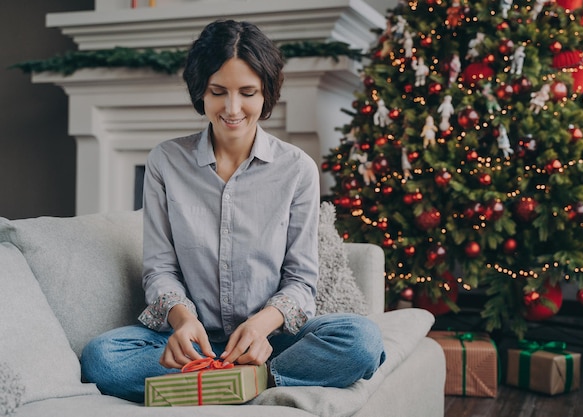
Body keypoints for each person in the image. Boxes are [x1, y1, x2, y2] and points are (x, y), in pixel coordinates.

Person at [80, 19, 386, 404]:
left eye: (247, 92)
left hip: (273, 340)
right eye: (218, 91)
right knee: (102, 358)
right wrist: (182, 320)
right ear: (200, 92)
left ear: (266, 93)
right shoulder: (165, 161)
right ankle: (235, 381)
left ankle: (236, 379)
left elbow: (301, 281)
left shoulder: (297, 169)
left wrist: (261, 326)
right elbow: (160, 269)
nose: (232, 108)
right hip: (194, 340)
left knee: (362, 341)